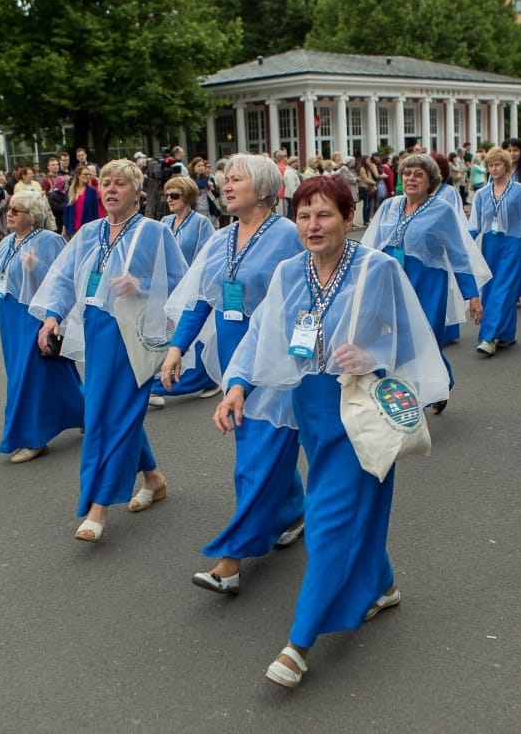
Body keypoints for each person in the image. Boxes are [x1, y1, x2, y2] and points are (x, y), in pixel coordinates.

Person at [215, 174, 449, 688]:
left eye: (324, 214)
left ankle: (299, 643)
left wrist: (373, 355)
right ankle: (381, 585)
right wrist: (236, 385)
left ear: (348, 217)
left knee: (326, 522)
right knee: (345, 514)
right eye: (303, 215)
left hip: (358, 412)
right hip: (312, 413)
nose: (312, 225)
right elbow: (260, 334)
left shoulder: (377, 269)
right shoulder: (287, 271)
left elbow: (409, 336)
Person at [161, 153, 305, 594]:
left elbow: (311, 295)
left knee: (255, 460)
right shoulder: (221, 239)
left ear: (263, 188)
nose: (226, 184)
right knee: (258, 446)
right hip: (234, 362)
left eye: (236, 179)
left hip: (277, 361)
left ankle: (231, 559)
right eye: (225, 178)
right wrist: (176, 349)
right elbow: (202, 300)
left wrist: (303, 356)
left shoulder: (288, 235)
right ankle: (293, 509)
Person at [32, 159, 186, 543]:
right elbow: (65, 278)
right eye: (106, 183)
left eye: (120, 183)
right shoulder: (88, 232)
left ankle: (98, 505)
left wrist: (143, 284)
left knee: (111, 418)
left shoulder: (153, 233)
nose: (111, 189)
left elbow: (181, 283)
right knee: (109, 411)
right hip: (97, 334)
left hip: (133, 336)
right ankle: (154, 478)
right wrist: (52, 316)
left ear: (138, 191)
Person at [0, 192, 84, 463]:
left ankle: (33, 438)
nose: (9, 213)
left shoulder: (49, 240)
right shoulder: (5, 243)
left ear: (33, 215)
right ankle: (87, 412)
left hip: (35, 318)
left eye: (16, 210)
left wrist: (36, 267)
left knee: (27, 377)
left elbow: (64, 279)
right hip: (10, 320)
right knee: (55, 373)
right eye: (9, 208)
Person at [362, 152, 489, 399]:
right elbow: (371, 247)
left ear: (430, 180)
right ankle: (432, 385)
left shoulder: (442, 211)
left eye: (418, 174)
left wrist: (472, 295)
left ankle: (422, 394)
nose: (411, 179)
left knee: (425, 339)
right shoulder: (389, 205)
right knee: (397, 338)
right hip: (393, 282)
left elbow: (458, 254)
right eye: (407, 174)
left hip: (428, 283)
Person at [147, 176, 219, 407]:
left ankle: (195, 379)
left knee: (192, 333)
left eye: (175, 195)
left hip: (190, 284)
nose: (169, 199)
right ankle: (170, 376)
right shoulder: (165, 222)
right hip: (166, 286)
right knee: (168, 333)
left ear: (187, 197)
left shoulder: (201, 223)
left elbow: (205, 256)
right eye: (167, 195)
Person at [468, 146, 521, 356]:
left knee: (504, 287)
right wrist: (464, 245)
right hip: (490, 244)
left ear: (506, 166)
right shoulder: (482, 193)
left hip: (512, 244)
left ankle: (488, 337)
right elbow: (474, 224)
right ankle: (507, 334)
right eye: (490, 165)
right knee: (491, 289)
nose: (493, 168)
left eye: (497, 164)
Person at [64, 164, 102, 237]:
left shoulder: (92, 192)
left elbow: (95, 211)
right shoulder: (70, 191)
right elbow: (66, 211)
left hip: (87, 228)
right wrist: (64, 227)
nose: (87, 176)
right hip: (73, 228)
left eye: (89, 174)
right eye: (85, 174)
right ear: (78, 175)